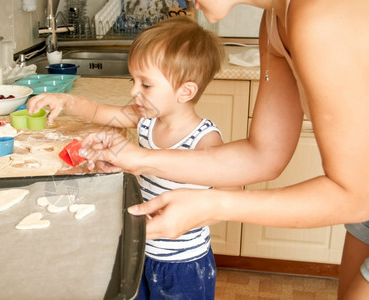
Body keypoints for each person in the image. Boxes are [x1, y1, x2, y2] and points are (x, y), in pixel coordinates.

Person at [77, 0, 369, 298]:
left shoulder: (319, 16)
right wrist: (139, 159)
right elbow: (262, 156)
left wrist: (213, 204)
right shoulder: (273, 23)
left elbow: (356, 196)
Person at [28, 16, 229, 299]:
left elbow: (228, 199)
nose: (134, 91)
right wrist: (67, 101)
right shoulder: (146, 119)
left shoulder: (206, 141)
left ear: (186, 91)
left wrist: (188, 220)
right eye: (133, 80)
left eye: (146, 85)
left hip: (182, 263)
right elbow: (99, 111)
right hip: (140, 247)